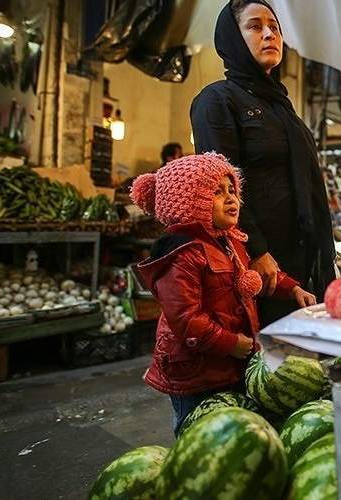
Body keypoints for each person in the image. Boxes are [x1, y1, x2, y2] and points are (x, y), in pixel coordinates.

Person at [130, 153, 316, 436]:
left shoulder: (230, 241)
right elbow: (186, 319)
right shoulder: (181, 255)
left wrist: (292, 288)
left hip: (227, 364)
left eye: (232, 191)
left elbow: (253, 277)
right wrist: (229, 343)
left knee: (227, 432)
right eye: (217, 192)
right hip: (195, 373)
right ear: (190, 203)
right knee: (196, 431)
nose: (231, 199)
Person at [190, 0, 335, 327]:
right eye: (255, 26)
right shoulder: (217, 101)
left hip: (298, 264)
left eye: (275, 27)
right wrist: (255, 249)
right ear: (232, 37)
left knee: (296, 367)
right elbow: (219, 183)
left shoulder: (284, 111)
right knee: (257, 365)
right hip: (256, 269)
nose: (270, 34)